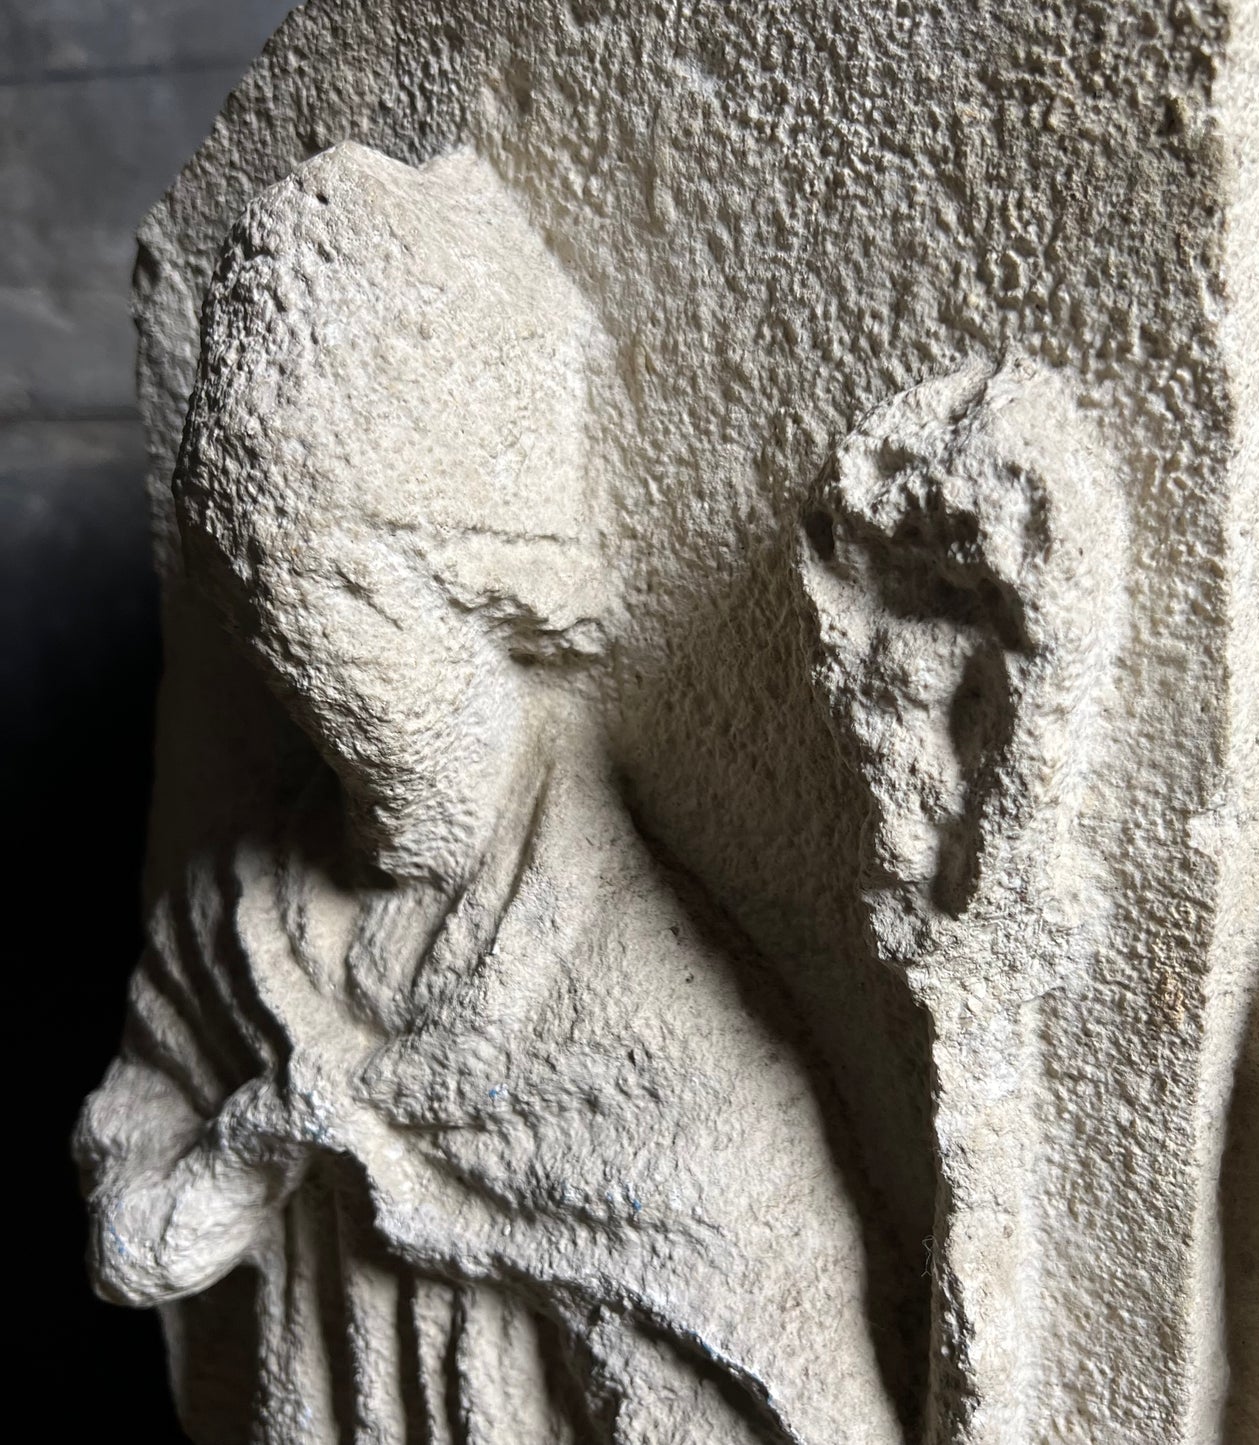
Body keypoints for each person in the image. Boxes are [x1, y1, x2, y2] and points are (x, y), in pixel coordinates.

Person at [76, 141, 904, 1445]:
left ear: (489, 601)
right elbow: (131, 1213)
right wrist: (230, 1157)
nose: (316, 679)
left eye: (352, 613)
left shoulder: (638, 1003)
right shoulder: (243, 918)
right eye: (267, 618)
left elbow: (779, 1365)